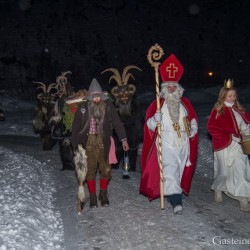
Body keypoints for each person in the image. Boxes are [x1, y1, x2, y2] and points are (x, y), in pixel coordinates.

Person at [140, 54, 198, 215]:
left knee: (178, 172)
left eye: (174, 86)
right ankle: (176, 202)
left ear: (178, 89)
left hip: (183, 143)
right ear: (164, 89)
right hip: (165, 142)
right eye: (169, 87)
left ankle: (173, 192)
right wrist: (154, 119)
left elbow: (192, 119)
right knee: (171, 170)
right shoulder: (158, 104)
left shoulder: (185, 104)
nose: (171, 89)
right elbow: (149, 127)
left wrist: (193, 129)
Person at [71, 78, 129, 208]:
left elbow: (117, 123)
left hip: (104, 142)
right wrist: (75, 147)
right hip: (88, 142)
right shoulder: (83, 108)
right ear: (90, 97)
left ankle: (103, 194)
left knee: (106, 170)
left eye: (99, 97)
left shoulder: (108, 105)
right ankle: (92, 197)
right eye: (94, 97)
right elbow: (75, 128)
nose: (97, 100)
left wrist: (123, 139)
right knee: (90, 170)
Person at [207, 79, 250, 212]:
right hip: (224, 146)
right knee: (223, 172)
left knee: (241, 170)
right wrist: (230, 136)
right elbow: (212, 128)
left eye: (234, 95)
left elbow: (246, 126)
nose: (232, 98)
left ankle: (243, 198)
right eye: (229, 96)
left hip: (238, 146)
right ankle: (219, 188)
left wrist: (246, 134)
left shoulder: (240, 110)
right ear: (223, 96)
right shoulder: (218, 111)